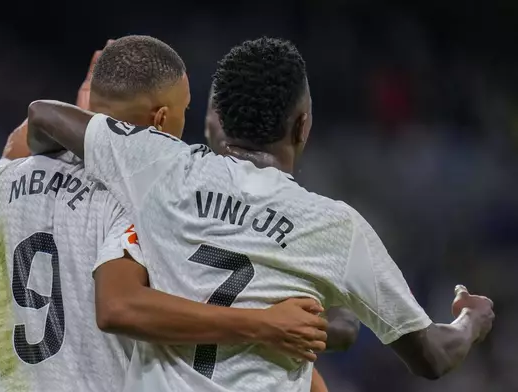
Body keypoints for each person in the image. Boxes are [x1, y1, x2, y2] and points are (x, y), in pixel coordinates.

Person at [27, 37, 495, 392]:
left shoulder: (159, 166)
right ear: (302, 125)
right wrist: (472, 319)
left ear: (215, 121)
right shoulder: (336, 228)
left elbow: (44, 116)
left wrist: (66, 156)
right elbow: (433, 356)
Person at [0, 36, 331, 392]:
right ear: (160, 120)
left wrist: (2, 166)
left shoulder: (6, 181)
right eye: (183, 110)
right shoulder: (156, 202)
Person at [203, 86, 360, 392]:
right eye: (220, 108)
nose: (230, 119)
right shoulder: (177, 193)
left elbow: (347, 324)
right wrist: (263, 323)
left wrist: (296, 328)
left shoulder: (302, 216)